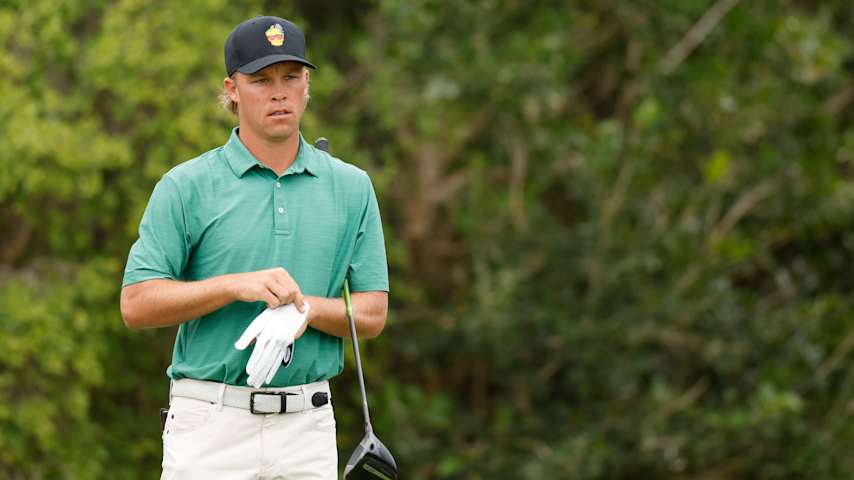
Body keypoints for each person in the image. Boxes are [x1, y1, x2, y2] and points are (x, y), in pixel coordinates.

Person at [120, 15, 389, 480]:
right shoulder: (187, 185)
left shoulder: (352, 187)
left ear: (307, 86)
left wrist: (304, 311)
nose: (278, 92)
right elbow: (136, 304)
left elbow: (372, 314)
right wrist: (234, 286)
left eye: (291, 77)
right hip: (209, 423)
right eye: (261, 80)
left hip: (307, 427)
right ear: (232, 89)